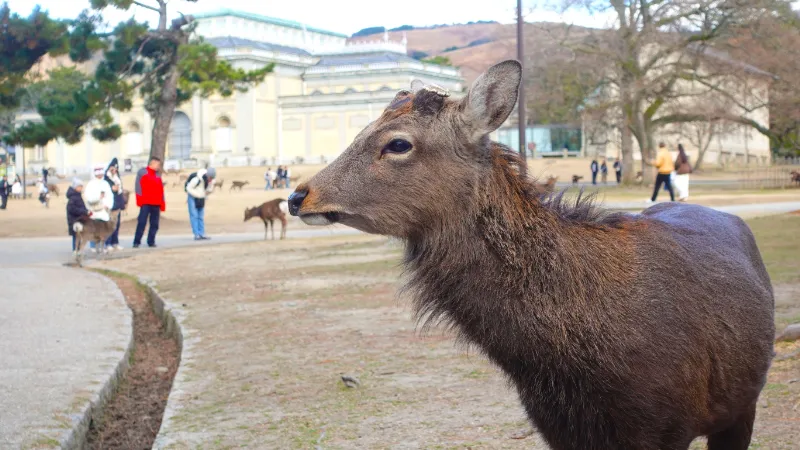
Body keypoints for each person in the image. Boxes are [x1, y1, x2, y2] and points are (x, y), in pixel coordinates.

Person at [133, 156, 165, 248]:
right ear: (152, 163)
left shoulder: (158, 175)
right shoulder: (142, 173)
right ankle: (137, 241)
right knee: (142, 222)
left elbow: (161, 190)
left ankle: (151, 241)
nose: (158, 166)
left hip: (156, 203)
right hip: (145, 202)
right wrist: (139, 199)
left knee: (154, 223)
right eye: (157, 164)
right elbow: (138, 186)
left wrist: (162, 203)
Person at [185, 167, 216, 240]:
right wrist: (197, 194)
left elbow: (209, 190)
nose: (210, 179)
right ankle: (196, 234)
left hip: (201, 198)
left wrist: (206, 193)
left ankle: (202, 233)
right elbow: (188, 188)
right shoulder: (197, 179)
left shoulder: (211, 181)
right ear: (207, 175)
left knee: (200, 216)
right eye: (210, 177)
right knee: (194, 216)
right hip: (192, 197)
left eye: (212, 178)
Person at [103, 158, 125, 250]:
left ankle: (115, 242)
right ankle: (107, 243)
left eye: (115, 169)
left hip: (117, 203)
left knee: (117, 224)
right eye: (112, 169)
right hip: (110, 204)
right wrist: (111, 189)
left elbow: (120, 191)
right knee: (109, 224)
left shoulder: (117, 178)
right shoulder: (106, 179)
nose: (114, 170)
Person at [66, 177, 90, 252]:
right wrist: (83, 211)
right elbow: (72, 209)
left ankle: (78, 250)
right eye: (80, 186)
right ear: (75, 187)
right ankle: (76, 250)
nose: (81, 188)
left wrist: (86, 211)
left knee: (79, 236)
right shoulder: (73, 197)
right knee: (76, 236)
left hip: (79, 219)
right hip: (74, 220)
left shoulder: (78, 195)